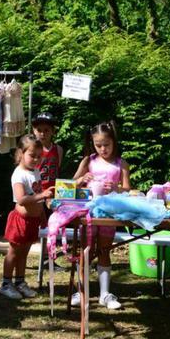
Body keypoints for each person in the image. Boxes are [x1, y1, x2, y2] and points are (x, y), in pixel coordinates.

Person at [70, 121, 131, 310]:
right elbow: (71, 184)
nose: (103, 149)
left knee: (105, 250)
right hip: (89, 212)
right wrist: (82, 179)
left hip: (109, 214)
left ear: (114, 141)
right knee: (86, 250)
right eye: (98, 145)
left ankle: (105, 293)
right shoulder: (89, 161)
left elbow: (128, 189)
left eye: (107, 144)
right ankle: (81, 291)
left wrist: (116, 188)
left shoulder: (121, 163)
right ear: (93, 144)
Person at [0, 134, 55, 300]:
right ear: (20, 154)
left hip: (33, 221)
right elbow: (22, 199)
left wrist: (43, 216)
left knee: (24, 253)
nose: (36, 159)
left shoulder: (35, 171)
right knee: (13, 252)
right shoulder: (19, 175)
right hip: (20, 221)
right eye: (32, 155)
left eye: (39, 156)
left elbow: (37, 193)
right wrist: (43, 196)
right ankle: (6, 284)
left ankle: (20, 282)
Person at [32, 112, 64, 193]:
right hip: (37, 192)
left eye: (46, 130)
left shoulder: (58, 149)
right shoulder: (32, 150)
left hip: (54, 192)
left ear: (53, 131)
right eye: (39, 130)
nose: (42, 134)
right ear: (34, 131)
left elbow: (58, 169)